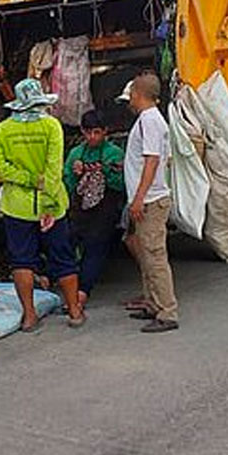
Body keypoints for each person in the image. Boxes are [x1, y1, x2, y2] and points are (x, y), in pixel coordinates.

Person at [0, 78, 85, 332]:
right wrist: (49, 205)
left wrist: (26, 179)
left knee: (22, 261)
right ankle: (75, 311)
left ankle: (29, 316)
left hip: (16, 206)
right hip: (52, 205)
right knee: (63, 258)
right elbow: (54, 169)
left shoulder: (3, 130)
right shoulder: (51, 126)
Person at [118, 74, 179, 333]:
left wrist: (139, 198)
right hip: (149, 198)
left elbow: (152, 161)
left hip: (150, 200)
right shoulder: (149, 120)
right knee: (146, 254)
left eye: (131, 94)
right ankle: (153, 303)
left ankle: (167, 312)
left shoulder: (149, 121)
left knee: (154, 257)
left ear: (137, 94)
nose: (130, 100)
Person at [63, 109, 125, 307]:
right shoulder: (75, 154)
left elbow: (122, 184)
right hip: (79, 210)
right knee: (68, 244)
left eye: (96, 132)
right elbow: (67, 183)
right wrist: (75, 174)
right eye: (88, 132)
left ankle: (82, 291)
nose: (92, 137)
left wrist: (105, 171)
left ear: (105, 131)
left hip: (104, 211)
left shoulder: (114, 153)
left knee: (95, 248)